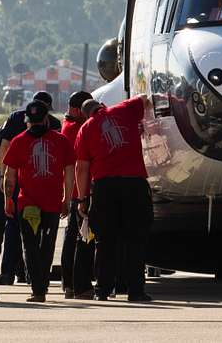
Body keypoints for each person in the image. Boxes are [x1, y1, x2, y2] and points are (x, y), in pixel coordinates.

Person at [75, 96, 154, 302]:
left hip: (105, 187)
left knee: (105, 241)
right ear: (102, 105)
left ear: (86, 114)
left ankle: (102, 290)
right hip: (134, 184)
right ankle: (136, 291)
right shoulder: (124, 109)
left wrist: (83, 199)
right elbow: (146, 100)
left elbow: (81, 168)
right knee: (135, 239)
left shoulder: (86, 128)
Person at [2, 100, 76, 302]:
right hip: (51, 204)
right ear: (46, 119)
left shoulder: (18, 141)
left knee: (30, 245)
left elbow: (9, 175)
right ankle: (40, 286)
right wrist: (66, 199)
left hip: (27, 205)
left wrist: (8, 200)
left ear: (28, 120)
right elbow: (70, 173)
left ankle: (37, 289)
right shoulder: (61, 141)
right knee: (47, 246)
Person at [0, 91, 62, 286]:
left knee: (16, 229)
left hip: (22, 182)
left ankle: (10, 273)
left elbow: (4, 147)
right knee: (41, 236)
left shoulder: (16, 118)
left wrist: (3, 176)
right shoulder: (54, 124)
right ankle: (33, 277)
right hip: (45, 185)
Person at [59, 90, 94, 298]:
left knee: (72, 236)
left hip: (72, 190)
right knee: (84, 238)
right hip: (81, 191)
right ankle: (80, 283)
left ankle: (69, 283)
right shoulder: (77, 128)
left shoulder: (67, 126)